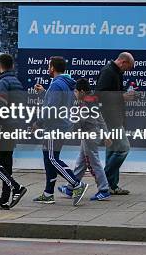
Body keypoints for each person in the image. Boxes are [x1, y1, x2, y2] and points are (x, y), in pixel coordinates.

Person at [33, 56, 88, 206]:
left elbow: (51, 108)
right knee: (49, 157)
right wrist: (45, 93)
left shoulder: (57, 85)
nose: (48, 68)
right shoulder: (65, 83)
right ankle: (48, 193)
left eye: (49, 66)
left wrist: (39, 122)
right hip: (62, 125)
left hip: (54, 126)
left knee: (52, 158)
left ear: (52, 68)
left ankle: (76, 184)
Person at [58, 78, 112, 201]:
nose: (74, 94)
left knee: (94, 163)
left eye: (76, 92)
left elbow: (79, 122)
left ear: (82, 91)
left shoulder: (86, 104)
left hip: (89, 137)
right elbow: (101, 119)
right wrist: (105, 134)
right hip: (89, 135)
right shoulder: (92, 101)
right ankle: (71, 188)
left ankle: (104, 189)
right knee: (81, 163)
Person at [0, 53, 27, 210]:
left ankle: (16, 187)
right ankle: (4, 199)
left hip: (1, 126)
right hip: (14, 127)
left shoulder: (2, 83)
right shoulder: (17, 82)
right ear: (13, 66)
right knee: (6, 162)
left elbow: (1, 107)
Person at [95, 52, 135, 195]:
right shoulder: (108, 72)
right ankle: (104, 178)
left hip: (114, 117)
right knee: (123, 148)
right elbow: (99, 95)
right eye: (128, 68)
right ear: (123, 62)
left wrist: (125, 96)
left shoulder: (116, 72)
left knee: (112, 150)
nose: (127, 71)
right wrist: (122, 96)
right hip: (110, 118)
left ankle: (111, 185)